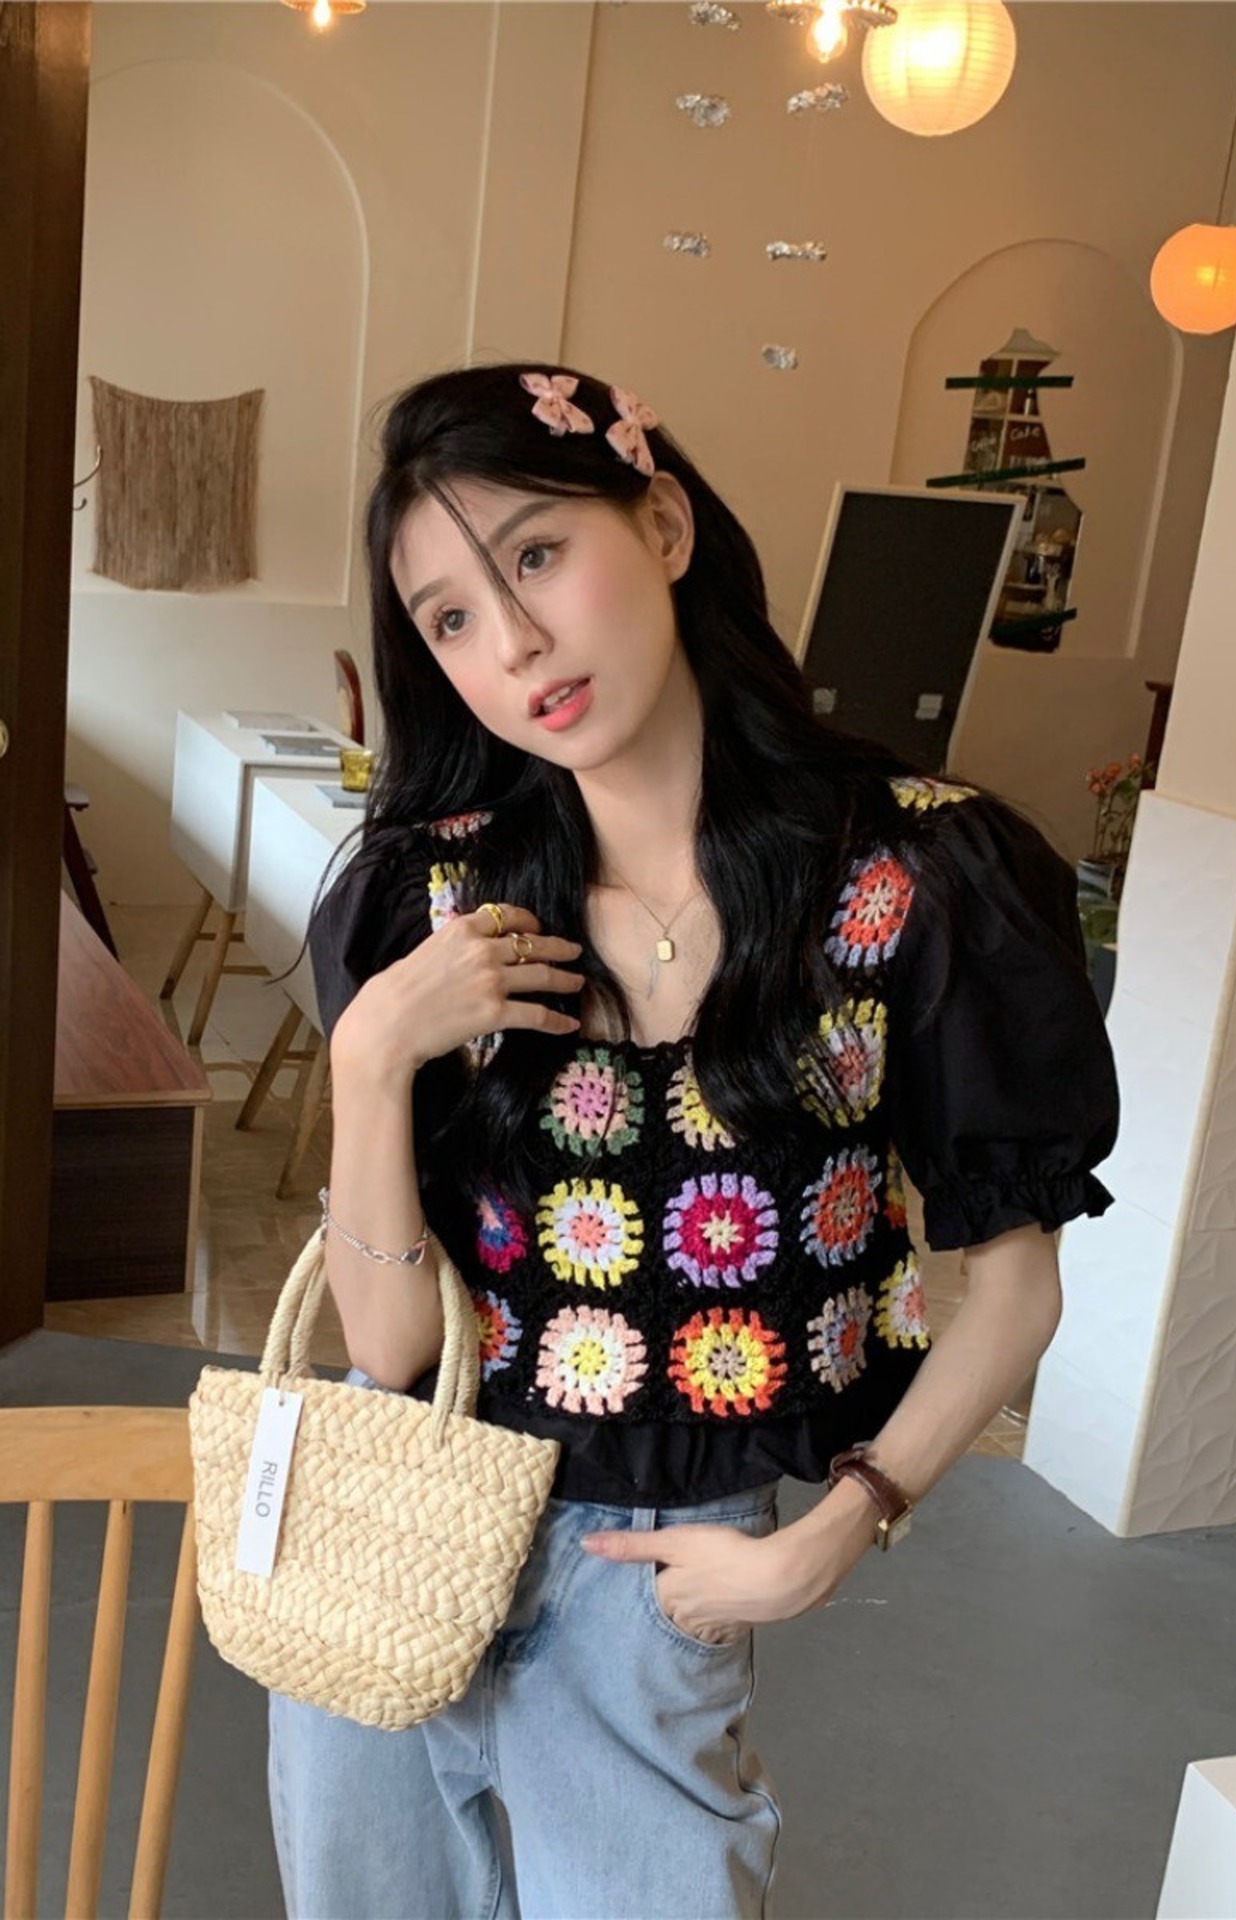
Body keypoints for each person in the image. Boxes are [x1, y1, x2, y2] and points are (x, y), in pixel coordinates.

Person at [267, 362, 1120, 1920]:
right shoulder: (430, 898)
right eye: (449, 618)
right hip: (395, 1530)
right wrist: (374, 1057)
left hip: (650, 1584)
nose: (513, 645)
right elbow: (390, 1347)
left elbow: (1014, 1284)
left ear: (661, 524)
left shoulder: (916, 879)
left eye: (535, 556)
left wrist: (845, 1524)